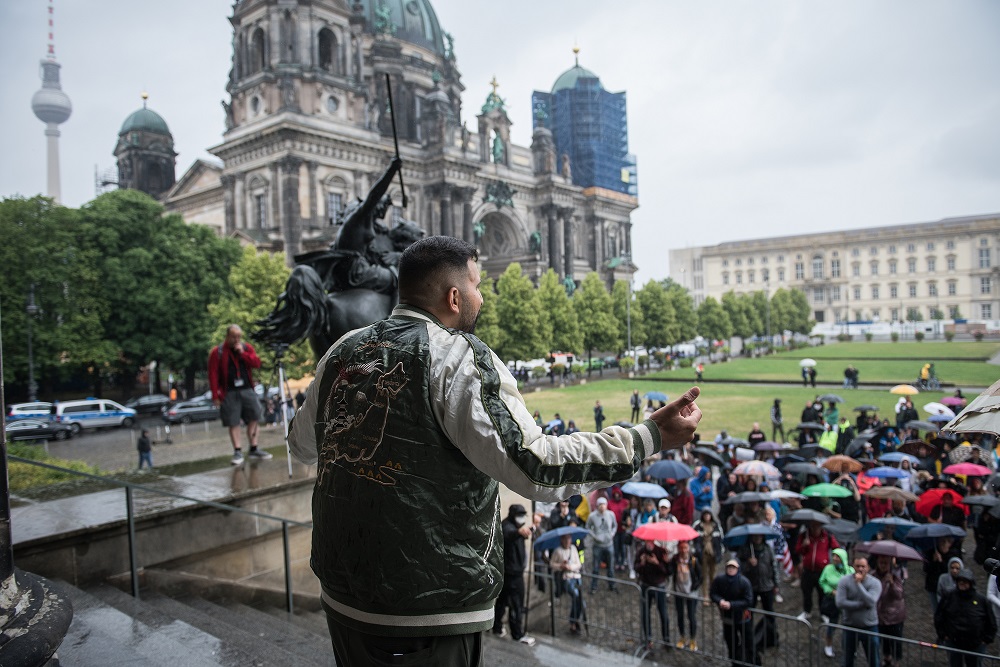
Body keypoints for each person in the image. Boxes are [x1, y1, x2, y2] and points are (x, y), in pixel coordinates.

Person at [287, 236, 703, 666]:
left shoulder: (343, 349)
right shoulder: (455, 356)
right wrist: (647, 436)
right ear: (454, 296)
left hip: (341, 597)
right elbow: (537, 467)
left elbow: (300, 445)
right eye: (478, 285)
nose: (480, 297)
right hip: (428, 609)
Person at [208, 324, 271, 465]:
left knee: (255, 415)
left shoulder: (246, 348)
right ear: (227, 336)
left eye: (239, 336)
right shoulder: (217, 352)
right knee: (233, 421)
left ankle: (254, 447)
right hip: (229, 391)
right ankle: (237, 450)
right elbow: (213, 374)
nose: (236, 339)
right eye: (234, 337)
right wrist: (215, 396)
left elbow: (256, 363)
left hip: (247, 389)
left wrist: (243, 353)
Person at [493, 504, 536, 645]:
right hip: (512, 574)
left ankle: (497, 627)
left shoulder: (515, 527)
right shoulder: (507, 526)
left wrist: (528, 530)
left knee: (503, 601)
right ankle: (517, 634)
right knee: (516, 604)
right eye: (519, 514)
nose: (522, 518)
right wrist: (519, 532)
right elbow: (510, 534)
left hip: (510, 573)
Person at [935, 568, 997, 667]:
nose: (962, 583)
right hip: (954, 642)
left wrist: (986, 639)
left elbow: (991, 622)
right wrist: (943, 634)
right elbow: (939, 616)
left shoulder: (981, 600)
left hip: (975, 644)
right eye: (960, 581)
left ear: (971, 583)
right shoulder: (949, 596)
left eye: (965, 581)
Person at [710, 558, 757, 667]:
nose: (731, 569)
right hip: (728, 618)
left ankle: (751, 662)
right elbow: (713, 593)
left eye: (733, 567)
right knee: (731, 642)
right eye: (729, 567)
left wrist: (731, 604)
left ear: (738, 569)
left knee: (748, 642)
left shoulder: (744, 582)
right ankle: (735, 663)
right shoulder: (720, 580)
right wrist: (720, 600)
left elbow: (748, 600)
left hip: (743, 618)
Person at [836, 556, 882, 667]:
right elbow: (840, 602)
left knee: (874, 660)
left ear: (868, 568)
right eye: (857, 566)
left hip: (869, 627)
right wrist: (861, 604)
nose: (860, 569)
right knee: (847, 659)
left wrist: (858, 584)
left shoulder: (875, 583)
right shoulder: (844, 581)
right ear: (853, 566)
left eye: (863, 566)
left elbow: (871, 602)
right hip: (849, 626)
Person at [736, 533, 779, 648]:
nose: (758, 538)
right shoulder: (746, 550)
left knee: (769, 612)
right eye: (755, 536)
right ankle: (748, 637)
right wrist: (748, 564)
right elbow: (739, 568)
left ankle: (772, 636)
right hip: (751, 587)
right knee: (749, 613)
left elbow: (774, 566)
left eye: (760, 536)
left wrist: (776, 584)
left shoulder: (768, 549)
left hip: (767, 586)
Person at [796, 520, 839, 621]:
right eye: (813, 526)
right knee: (806, 592)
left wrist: (834, 562)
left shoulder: (827, 536)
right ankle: (807, 612)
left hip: (822, 571)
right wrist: (804, 545)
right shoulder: (804, 536)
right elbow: (798, 550)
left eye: (817, 526)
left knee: (822, 593)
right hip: (807, 570)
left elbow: (836, 548)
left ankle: (823, 613)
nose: (815, 528)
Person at [634, 538, 672, 651]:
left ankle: (666, 639)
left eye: (650, 541)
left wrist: (657, 563)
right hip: (645, 586)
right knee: (645, 613)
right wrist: (642, 563)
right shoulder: (641, 552)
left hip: (659, 586)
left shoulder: (661, 551)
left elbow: (668, 571)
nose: (648, 544)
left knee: (663, 613)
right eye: (646, 541)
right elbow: (636, 568)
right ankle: (648, 639)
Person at [818, 547, 854, 658]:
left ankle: (849, 647)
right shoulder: (828, 569)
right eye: (833, 555)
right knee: (832, 625)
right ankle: (828, 645)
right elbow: (822, 581)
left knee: (848, 625)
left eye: (837, 556)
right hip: (832, 602)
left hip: (847, 602)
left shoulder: (850, 571)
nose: (834, 558)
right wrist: (830, 591)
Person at [874, 554, 906, 667]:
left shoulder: (896, 575)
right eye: (881, 563)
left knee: (896, 640)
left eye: (885, 563)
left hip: (895, 615)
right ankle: (887, 657)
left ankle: (896, 661)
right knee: (884, 638)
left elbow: (899, 594)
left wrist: (892, 584)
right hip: (880, 614)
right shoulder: (874, 575)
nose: (883, 566)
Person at [669, 540, 702, 650]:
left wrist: (694, 587)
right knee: (680, 616)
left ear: (689, 548)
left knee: (691, 616)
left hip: (691, 593)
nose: (683, 550)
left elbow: (700, 577)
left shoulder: (693, 560)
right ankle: (682, 637)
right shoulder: (675, 560)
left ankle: (693, 639)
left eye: (685, 548)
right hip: (679, 591)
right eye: (681, 548)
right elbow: (669, 572)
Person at [549, 532, 584, 634]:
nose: (568, 541)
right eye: (566, 539)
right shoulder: (557, 551)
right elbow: (552, 564)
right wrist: (561, 566)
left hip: (576, 576)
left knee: (580, 601)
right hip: (566, 578)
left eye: (569, 538)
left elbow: (578, 564)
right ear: (562, 540)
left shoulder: (573, 548)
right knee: (575, 596)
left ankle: (574, 620)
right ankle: (573, 622)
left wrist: (571, 567)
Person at [586, 496, 618, 592]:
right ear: (597, 506)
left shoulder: (611, 514)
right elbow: (588, 527)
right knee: (595, 567)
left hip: (609, 544)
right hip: (597, 545)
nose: (602, 506)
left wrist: (612, 534)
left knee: (611, 567)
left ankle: (612, 585)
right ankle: (594, 586)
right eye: (600, 504)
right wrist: (594, 536)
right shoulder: (592, 516)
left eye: (603, 504)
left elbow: (615, 526)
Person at [693, 510, 723, 601]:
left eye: (708, 515)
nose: (707, 517)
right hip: (703, 553)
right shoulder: (698, 526)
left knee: (712, 575)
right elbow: (695, 540)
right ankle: (705, 595)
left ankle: (713, 593)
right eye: (705, 515)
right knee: (704, 574)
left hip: (713, 553)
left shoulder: (716, 526)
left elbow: (720, 540)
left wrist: (719, 553)